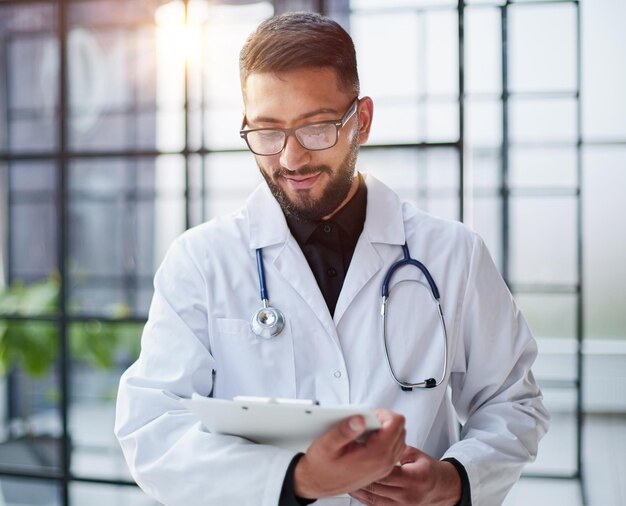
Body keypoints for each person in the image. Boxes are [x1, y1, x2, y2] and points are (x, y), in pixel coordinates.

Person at [115, 11, 549, 506]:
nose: (291, 159)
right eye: (268, 132)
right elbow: (152, 427)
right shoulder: (199, 261)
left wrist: (454, 481)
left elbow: (513, 403)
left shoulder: (453, 255)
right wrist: (296, 480)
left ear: (360, 120)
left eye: (316, 128)